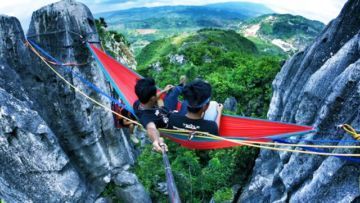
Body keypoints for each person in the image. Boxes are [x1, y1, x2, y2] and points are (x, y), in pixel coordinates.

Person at [133, 77, 175, 152]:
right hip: (173, 121)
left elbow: (156, 98)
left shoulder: (138, 102)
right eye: (156, 94)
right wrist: (156, 140)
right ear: (152, 98)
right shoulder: (146, 117)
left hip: (163, 108)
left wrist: (164, 91)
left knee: (171, 92)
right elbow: (151, 128)